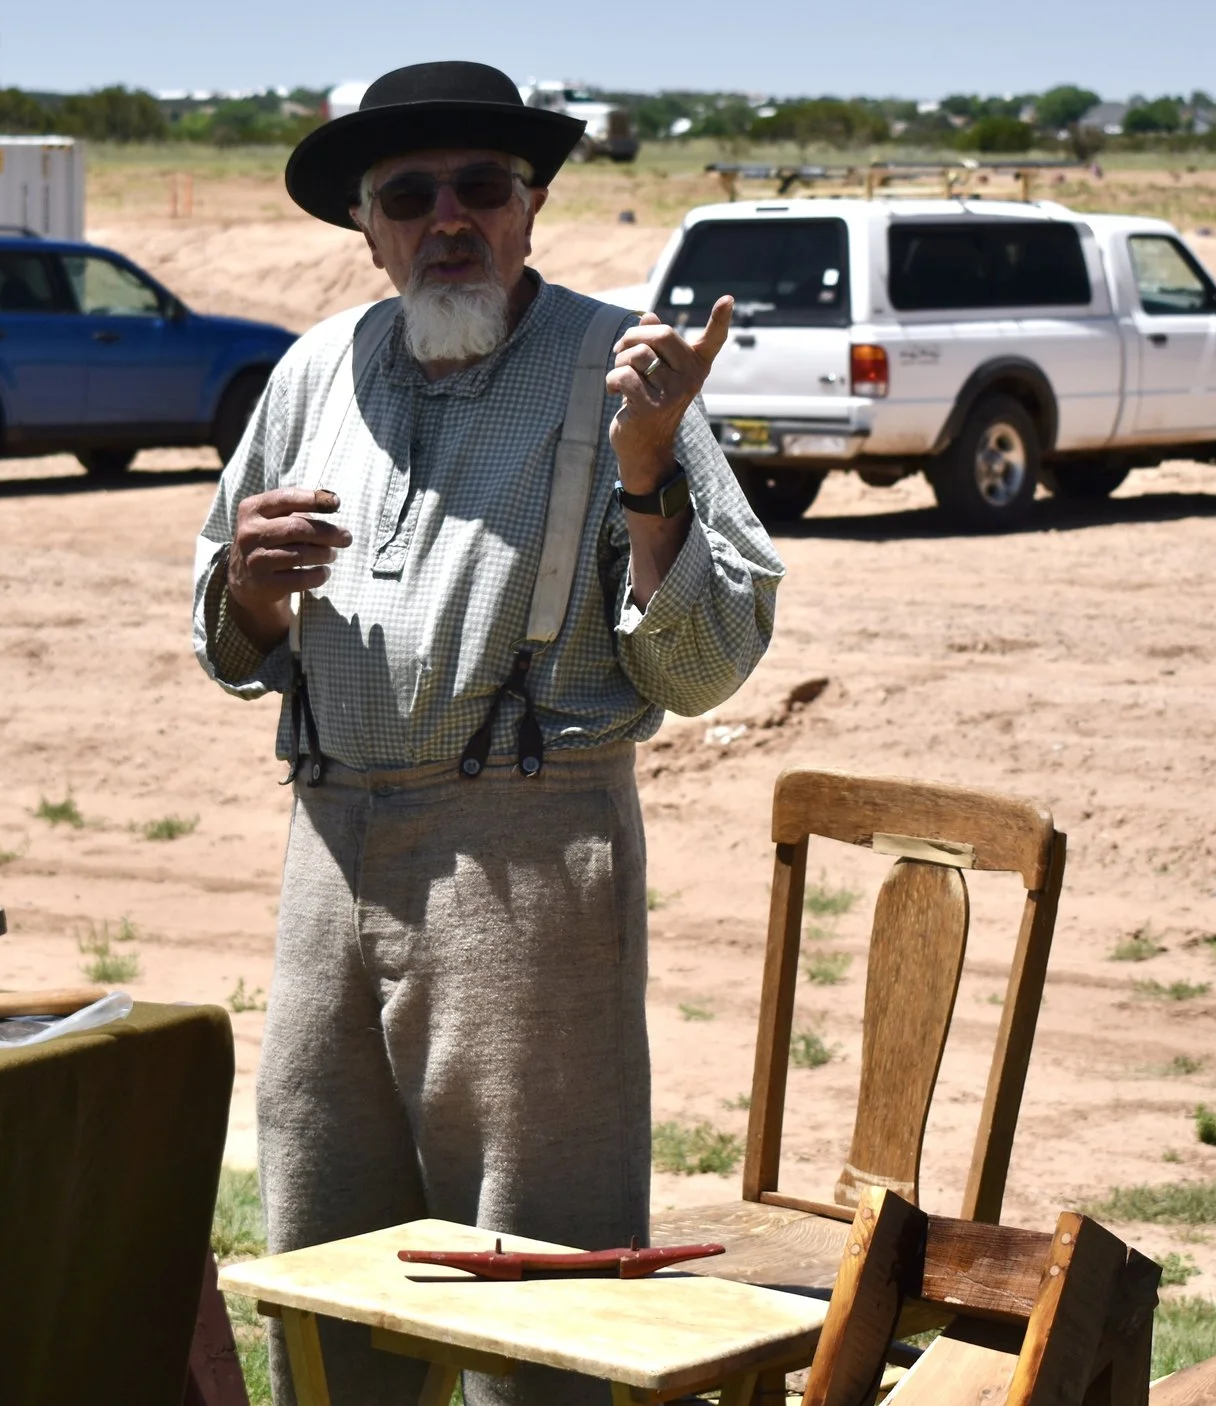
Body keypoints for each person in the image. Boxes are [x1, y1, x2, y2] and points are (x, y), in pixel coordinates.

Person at [188, 60, 784, 1406]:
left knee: (537, 1261)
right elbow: (224, 632)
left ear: (530, 207)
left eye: (480, 187)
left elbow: (705, 666)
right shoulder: (313, 371)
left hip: (527, 861)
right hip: (328, 850)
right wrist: (253, 589)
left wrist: (648, 474)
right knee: (326, 1234)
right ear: (368, 227)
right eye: (411, 195)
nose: (448, 218)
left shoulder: (622, 371)